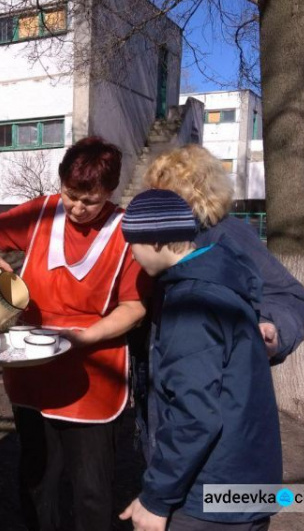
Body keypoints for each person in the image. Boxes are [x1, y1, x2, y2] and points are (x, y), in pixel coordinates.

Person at [0, 136, 151, 531]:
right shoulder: (43, 213)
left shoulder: (125, 232)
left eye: (91, 200)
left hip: (93, 381)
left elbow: (134, 308)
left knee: (91, 490)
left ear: (110, 192)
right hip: (31, 370)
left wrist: (83, 338)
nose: (79, 208)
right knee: (37, 478)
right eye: (71, 195)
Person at [119, 189, 281, 531]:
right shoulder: (223, 283)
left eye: (132, 244)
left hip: (211, 497)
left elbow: (194, 416)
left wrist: (155, 500)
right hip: (249, 483)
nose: (131, 257)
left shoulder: (191, 305)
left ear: (157, 242)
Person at [144, 144, 304, 363]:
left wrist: (271, 327)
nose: (153, 204)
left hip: (213, 377)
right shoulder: (159, 235)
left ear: (195, 194)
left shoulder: (226, 235)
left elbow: (288, 295)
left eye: (164, 195)